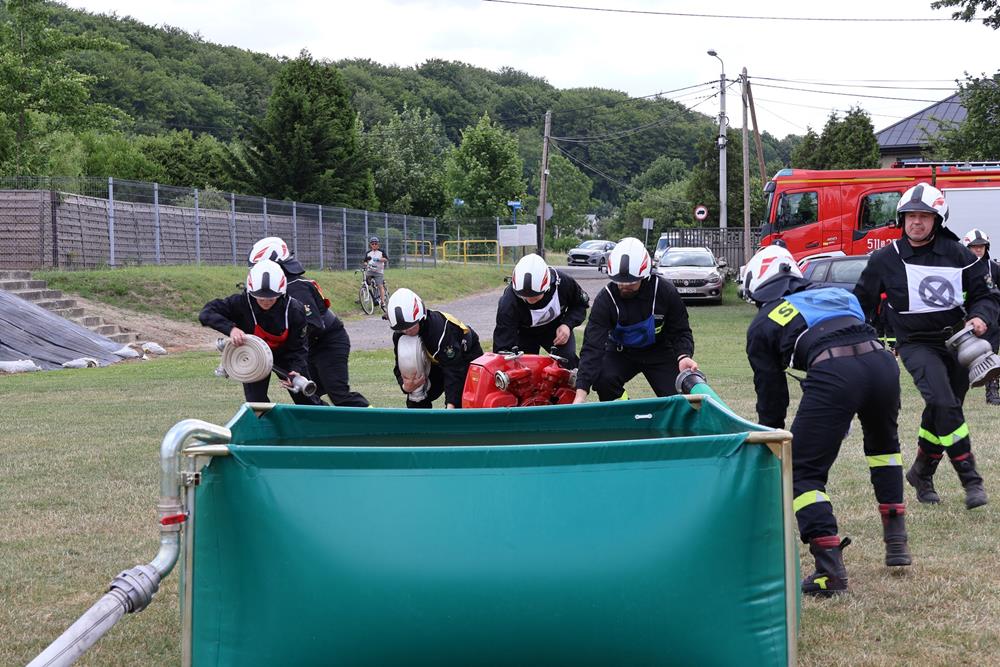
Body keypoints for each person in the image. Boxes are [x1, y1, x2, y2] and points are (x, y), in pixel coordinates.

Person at [744, 245, 908, 597]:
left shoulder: (764, 321)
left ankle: (829, 572)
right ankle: (897, 541)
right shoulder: (836, 293)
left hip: (835, 370)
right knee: (883, 449)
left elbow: (772, 395)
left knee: (802, 471)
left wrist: (772, 438)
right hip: (882, 364)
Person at [855, 183, 996, 509]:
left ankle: (922, 472)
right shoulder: (885, 258)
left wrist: (980, 316)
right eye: (910, 216)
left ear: (938, 220)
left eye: (924, 216)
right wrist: (865, 339)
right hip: (915, 344)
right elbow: (861, 303)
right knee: (943, 403)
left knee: (944, 409)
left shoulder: (959, 254)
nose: (916, 222)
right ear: (901, 219)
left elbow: (986, 295)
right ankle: (971, 479)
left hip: (959, 342)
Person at [572, 237, 699, 404]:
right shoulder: (605, 299)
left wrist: (683, 356)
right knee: (603, 379)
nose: (624, 286)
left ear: (645, 275)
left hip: (659, 350)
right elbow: (592, 347)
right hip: (620, 352)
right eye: (619, 282)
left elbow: (680, 331)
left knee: (679, 396)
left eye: (631, 282)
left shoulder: (665, 292)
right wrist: (580, 393)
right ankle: (623, 409)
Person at [247, 237, 370, 408]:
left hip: (327, 343)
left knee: (339, 394)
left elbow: (312, 325)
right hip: (305, 348)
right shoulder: (269, 292)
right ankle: (324, 423)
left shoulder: (296, 287)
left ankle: (374, 419)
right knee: (307, 397)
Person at [199, 259, 313, 404]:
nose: (265, 302)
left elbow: (299, 347)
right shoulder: (240, 303)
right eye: (260, 298)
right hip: (253, 356)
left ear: (281, 292)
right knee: (256, 402)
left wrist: (296, 369)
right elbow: (206, 314)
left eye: (271, 298)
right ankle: (268, 420)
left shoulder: (295, 310)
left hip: (286, 356)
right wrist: (231, 329)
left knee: (306, 398)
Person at [387, 287, 483, 409]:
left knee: (463, 401)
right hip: (435, 362)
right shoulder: (400, 335)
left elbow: (454, 369)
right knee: (416, 392)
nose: (406, 332)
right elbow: (400, 366)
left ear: (421, 318)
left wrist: (451, 406)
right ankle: (420, 420)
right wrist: (406, 386)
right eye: (402, 329)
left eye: (410, 328)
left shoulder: (439, 331)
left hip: (465, 355)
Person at [493, 253, 590, 368]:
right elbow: (503, 345)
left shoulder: (564, 283)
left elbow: (580, 305)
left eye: (535, 296)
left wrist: (567, 324)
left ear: (547, 286)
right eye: (524, 297)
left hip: (555, 329)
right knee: (523, 369)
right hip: (524, 333)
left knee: (567, 362)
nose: (529, 300)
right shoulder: (508, 302)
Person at [961, 228, 1000, 405]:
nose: (978, 249)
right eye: (974, 246)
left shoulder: (994, 268)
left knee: (991, 355)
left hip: (991, 321)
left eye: (981, 246)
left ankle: (992, 393)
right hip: (965, 320)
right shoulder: (959, 268)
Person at [362, 236, 389, 307]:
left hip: (378, 271)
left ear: (378, 244)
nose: (374, 245)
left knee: (380, 286)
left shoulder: (381, 251)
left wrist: (379, 259)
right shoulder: (368, 253)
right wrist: (366, 264)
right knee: (366, 282)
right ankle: (364, 296)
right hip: (370, 270)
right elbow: (365, 261)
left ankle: (382, 301)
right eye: (372, 244)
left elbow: (386, 259)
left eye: (375, 243)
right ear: (370, 245)